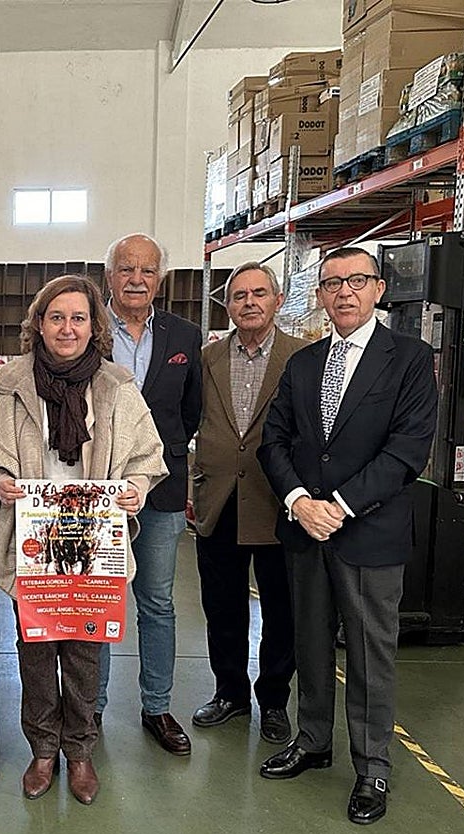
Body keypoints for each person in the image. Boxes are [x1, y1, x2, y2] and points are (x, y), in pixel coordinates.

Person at [0, 275, 166, 806]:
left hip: (94, 539)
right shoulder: (10, 382)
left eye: (79, 318)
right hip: (31, 539)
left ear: (94, 326)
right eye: (57, 317)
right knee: (37, 648)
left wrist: (135, 488)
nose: (68, 328)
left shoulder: (116, 385)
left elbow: (145, 456)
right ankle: (43, 749)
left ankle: (80, 751)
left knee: (87, 648)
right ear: (39, 323)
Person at [257, 247, 437, 826]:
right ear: (320, 295)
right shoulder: (305, 364)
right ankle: (313, 741)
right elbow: (274, 442)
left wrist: (338, 504)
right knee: (310, 641)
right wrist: (297, 502)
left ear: (378, 289)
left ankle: (372, 767)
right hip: (307, 530)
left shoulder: (409, 359)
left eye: (356, 281)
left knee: (368, 653)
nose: (344, 292)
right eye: (332, 283)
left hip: (369, 533)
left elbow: (407, 451)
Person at [190, 262, 307, 746]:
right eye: (239, 295)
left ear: (277, 301)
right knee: (222, 605)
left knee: (283, 608)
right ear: (227, 305)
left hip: (279, 500)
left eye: (260, 293)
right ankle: (230, 693)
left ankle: (274, 699)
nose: (249, 302)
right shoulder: (207, 359)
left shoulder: (303, 358)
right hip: (219, 498)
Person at [95, 233, 202, 756]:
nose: (136, 279)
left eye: (148, 271)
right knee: (98, 597)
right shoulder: (85, 329)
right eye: (126, 269)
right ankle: (90, 711)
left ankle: (156, 707)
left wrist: (161, 461)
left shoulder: (186, 335)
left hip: (160, 491)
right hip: (97, 490)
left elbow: (191, 411)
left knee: (156, 601)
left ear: (161, 279)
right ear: (108, 275)